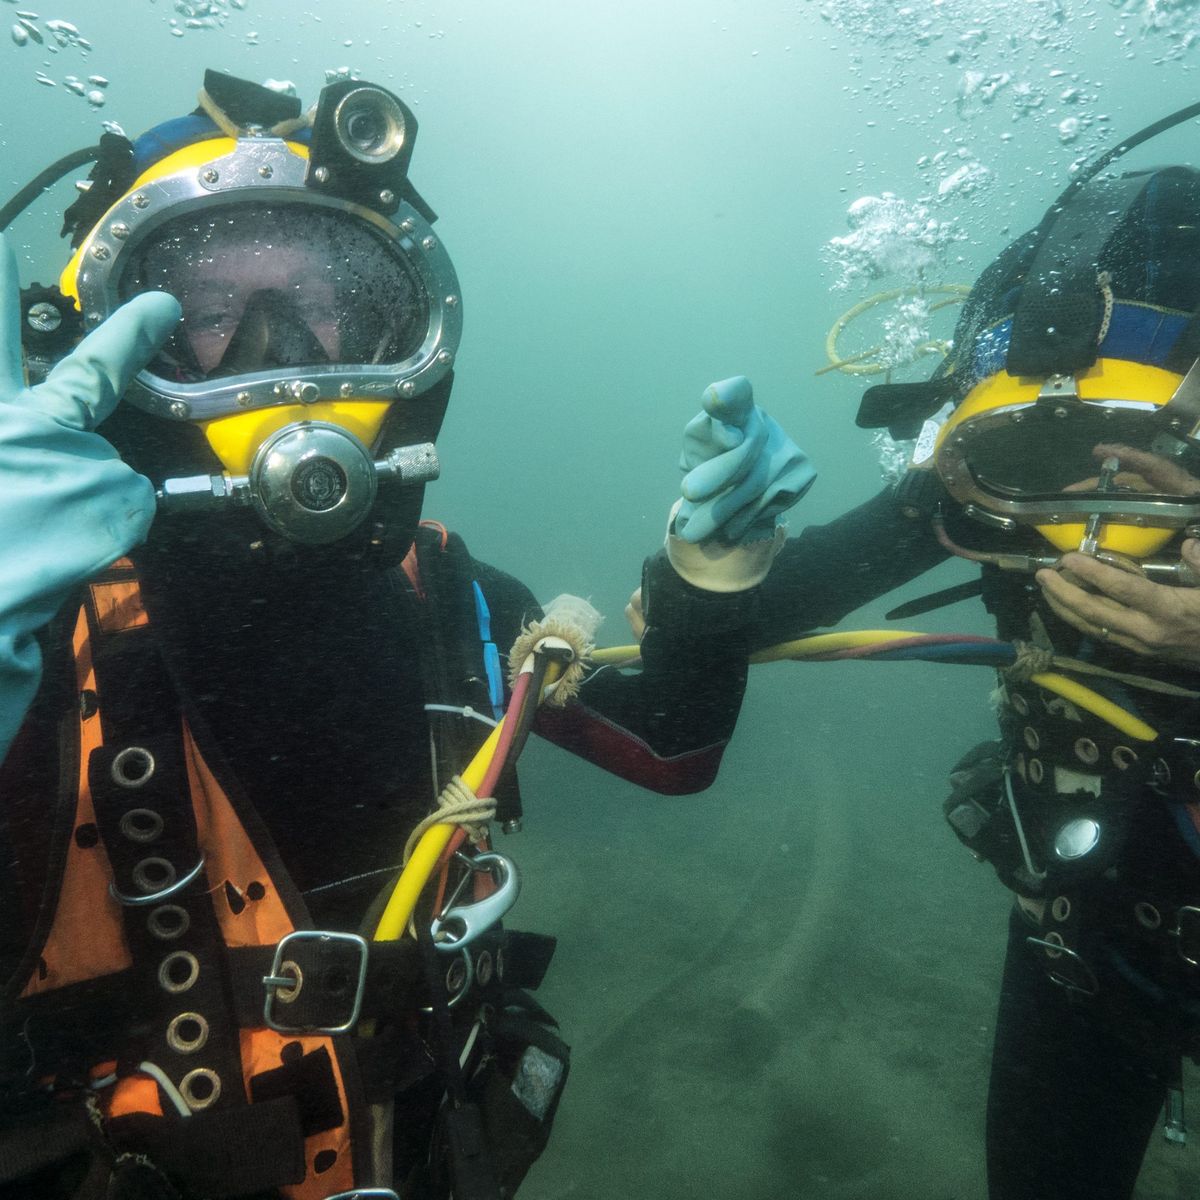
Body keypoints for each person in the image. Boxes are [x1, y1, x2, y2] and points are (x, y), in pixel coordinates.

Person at [0, 70, 814, 1199]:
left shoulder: (447, 594)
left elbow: (674, 750)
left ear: (400, 330)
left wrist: (707, 585)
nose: (273, 349)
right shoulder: (34, 636)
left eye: (325, 300)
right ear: (106, 350)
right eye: (200, 314)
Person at [740, 105, 1200, 1199]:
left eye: (1149, 443)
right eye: (1040, 443)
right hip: (1087, 948)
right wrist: (700, 565)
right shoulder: (983, 493)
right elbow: (745, 612)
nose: (1090, 504)